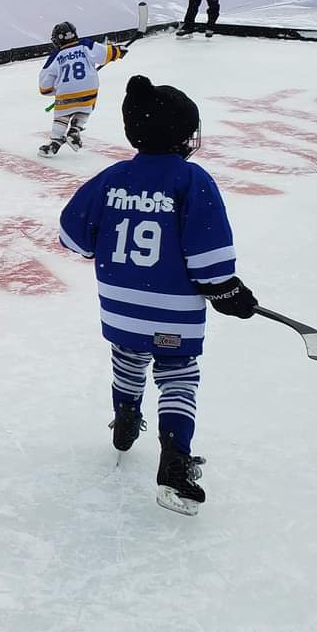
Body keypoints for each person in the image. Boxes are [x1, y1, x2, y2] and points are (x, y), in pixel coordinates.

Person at [58, 75, 257, 515]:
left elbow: (72, 235)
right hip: (173, 313)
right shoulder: (190, 180)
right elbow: (208, 253)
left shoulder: (113, 177)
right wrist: (227, 290)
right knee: (178, 377)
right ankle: (175, 460)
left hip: (122, 310)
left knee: (128, 362)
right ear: (184, 135)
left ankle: (125, 417)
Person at [37, 22, 125, 156]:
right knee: (87, 105)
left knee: (62, 115)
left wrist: (57, 90)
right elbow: (106, 54)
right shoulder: (85, 45)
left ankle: (54, 143)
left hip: (65, 93)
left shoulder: (55, 55)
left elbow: (44, 86)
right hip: (88, 89)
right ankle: (75, 129)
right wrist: (118, 51)